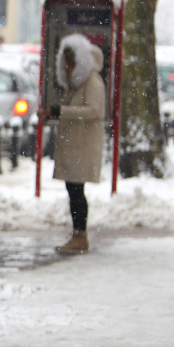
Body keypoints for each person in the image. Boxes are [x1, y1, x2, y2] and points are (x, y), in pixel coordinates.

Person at [38, 33, 106, 254]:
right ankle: (78, 234)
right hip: (76, 145)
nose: (66, 67)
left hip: (82, 146)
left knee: (76, 190)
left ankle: (80, 235)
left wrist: (60, 111)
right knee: (73, 189)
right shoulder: (78, 84)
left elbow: (94, 111)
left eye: (70, 62)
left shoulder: (92, 82)